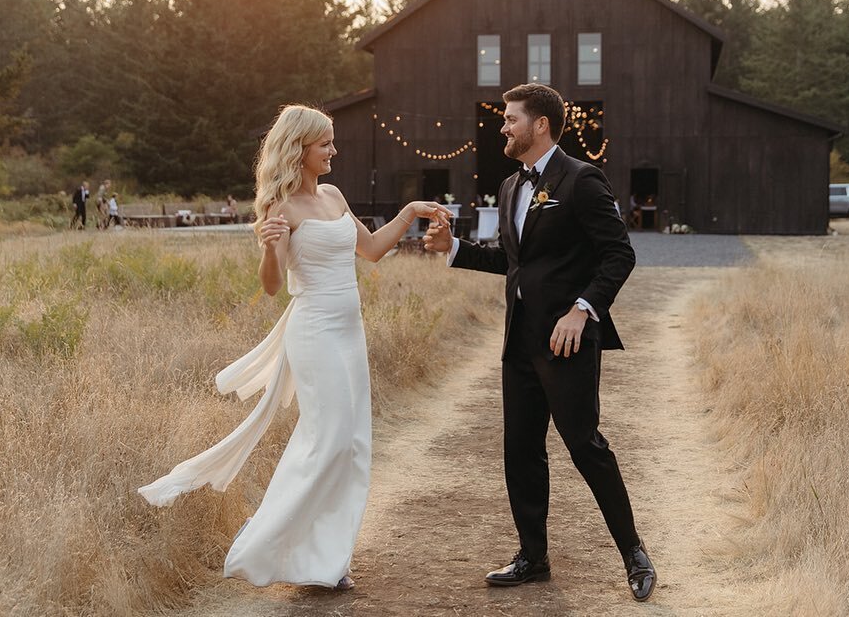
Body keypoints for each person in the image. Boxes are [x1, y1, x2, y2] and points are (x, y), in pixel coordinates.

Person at [138, 104, 450, 590]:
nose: (333, 150)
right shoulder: (280, 209)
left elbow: (369, 251)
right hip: (314, 332)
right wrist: (268, 247)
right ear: (299, 148)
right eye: (325, 143)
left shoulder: (334, 195)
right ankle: (267, 547)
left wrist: (409, 212)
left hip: (350, 333)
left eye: (331, 141)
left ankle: (327, 559)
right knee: (326, 441)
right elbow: (271, 286)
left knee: (351, 444)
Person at [424, 83, 656, 602]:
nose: (502, 127)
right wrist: (455, 246)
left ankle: (634, 553)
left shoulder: (582, 180)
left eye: (510, 119)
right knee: (521, 451)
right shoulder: (509, 187)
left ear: (541, 125)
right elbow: (516, 260)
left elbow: (619, 255)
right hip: (520, 343)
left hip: (568, 342)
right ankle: (533, 558)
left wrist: (582, 310)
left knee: (585, 448)